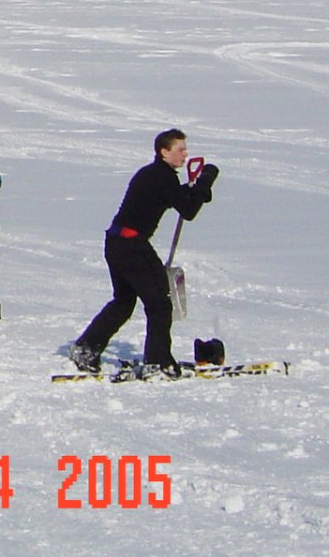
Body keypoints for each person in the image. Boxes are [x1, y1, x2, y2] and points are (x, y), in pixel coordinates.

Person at [66, 129, 218, 377]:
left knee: (124, 302)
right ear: (164, 151)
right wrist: (206, 181)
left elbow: (180, 199)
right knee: (159, 303)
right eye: (180, 150)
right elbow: (189, 209)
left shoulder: (154, 174)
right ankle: (157, 362)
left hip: (118, 242)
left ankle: (86, 348)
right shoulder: (161, 177)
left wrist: (197, 189)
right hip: (131, 246)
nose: (185, 154)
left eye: (185, 149)